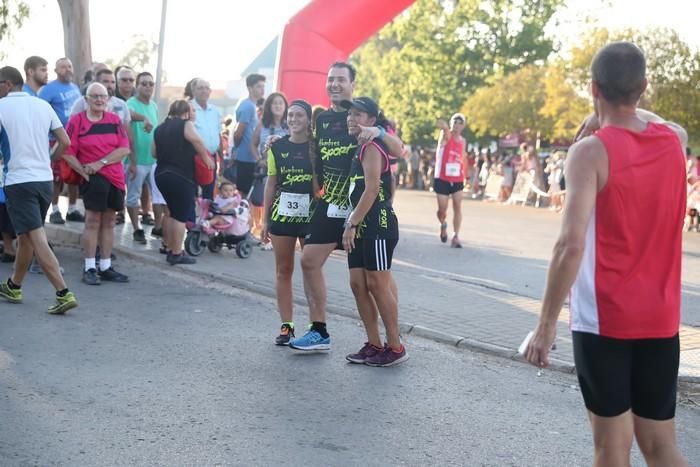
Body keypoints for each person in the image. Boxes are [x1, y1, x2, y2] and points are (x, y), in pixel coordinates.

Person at [525, 42, 689, 466]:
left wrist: (545, 326)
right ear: (644, 87)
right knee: (660, 445)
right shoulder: (673, 143)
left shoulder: (590, 151)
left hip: (606, 321)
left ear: (593, 88)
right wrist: (614, 112)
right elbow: (663, 123)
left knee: (612, 448)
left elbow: (569, 244)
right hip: (661, 318)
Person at [290, 62, 404, 351]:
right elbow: (310, 147)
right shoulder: (322, 119)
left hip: (363, 207)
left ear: (353, 83)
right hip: (331, 204)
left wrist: (378, 133)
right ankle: (318, 331)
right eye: (330, 79)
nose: (334, 84)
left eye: (341, 79)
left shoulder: (368, 117)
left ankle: (393, 335)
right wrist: (280, 142)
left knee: (376, 278)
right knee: (308, 260)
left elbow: (398, 148)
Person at [0, 66, 78, 314]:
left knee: (36, 237)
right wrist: (49, 160)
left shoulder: (2, 107)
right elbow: (65, 142)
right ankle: (14, 285)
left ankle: (63, 292)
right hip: (44, 181)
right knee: (26, 237)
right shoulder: (43, 105)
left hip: (18, 181)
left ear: (8, 84)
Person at [342, 97, 406, 366]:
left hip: (377, 226)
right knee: (358, 285)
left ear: (371, 120)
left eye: (358, 115)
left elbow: (372, 191)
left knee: (378, 286)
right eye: (349, 114)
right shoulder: (359, 147)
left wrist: (351, 223)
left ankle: (395, 346)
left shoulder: (371, 147)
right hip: (361, 226)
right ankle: (373, 343)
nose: (351, 119)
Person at [62, 82, 130, 285]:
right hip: (93, 180)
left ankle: (106, 266)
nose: (100, 99)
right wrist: (84, 172)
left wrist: (100, 163)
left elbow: (124, 149)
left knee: (109, 222)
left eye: (103, 96)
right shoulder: (77, 121)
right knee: (92, 222)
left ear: (108, 99)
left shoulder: (114, 120)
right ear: (86, 100)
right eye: (95, 96)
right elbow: (67, 151)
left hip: (114, 178)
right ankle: (90, 266)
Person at [261, 99, 317, 346]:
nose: (294, 119)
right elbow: (271, 183)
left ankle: (316, 326)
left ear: (308, 120)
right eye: (291, 115)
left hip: (310, 218)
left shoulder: (317, 147)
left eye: (299, 116)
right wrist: (264, 220)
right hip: (282, 216)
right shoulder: (277, 146)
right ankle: (287, 326)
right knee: (284, 270)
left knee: (310, 270)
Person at [153, 100, 214, 265]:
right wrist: (206, 158)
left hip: (161, 174)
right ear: (186, 112)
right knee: (180, 216)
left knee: (173, 213)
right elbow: (197, 141)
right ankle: (177, 253)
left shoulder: (159, 128)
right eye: (193, 110)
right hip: (181, 176)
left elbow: (154, 153)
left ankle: (170, 249)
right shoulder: (186, 124)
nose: (194, 113)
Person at [39, 58, 83, 224]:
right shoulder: (48, 90)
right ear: (56, 70)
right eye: (63, 67)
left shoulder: (75, 88)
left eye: (70, 66)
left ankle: (72, 209)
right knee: (56, 177)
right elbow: (41, 114)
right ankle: (55, 210)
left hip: (75, 140)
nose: (68, 70)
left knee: (74, 176)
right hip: (55, 140)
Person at [252, 92, 289, 248]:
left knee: (281, 203)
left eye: (281, 103)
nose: (278, 106)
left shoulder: (289, 124)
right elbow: (253, 144)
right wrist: (259, 159)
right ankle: (265, 234)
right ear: (269, 106)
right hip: (268, 170)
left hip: (286, 170)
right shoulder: (262, 124)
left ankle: (278, 236)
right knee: (267, 202)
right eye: (274, 103)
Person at [126, 72, 159, 244]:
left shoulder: (154, 106)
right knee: (133, 196)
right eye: (144, 83)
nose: (147, 87)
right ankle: (136, 229)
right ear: (137, 86)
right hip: (136, 161)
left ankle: (158, 226)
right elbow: (128, 115)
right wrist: (132, 161)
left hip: (153, 161)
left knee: (157, 196)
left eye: (150, 84)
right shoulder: (130, 103)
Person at [434, 114, 467, 248]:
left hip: (457, 178)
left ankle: (456, 236)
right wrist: (444, 127)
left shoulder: (463, 141)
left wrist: (465, 174)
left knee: (457, 206)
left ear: (463, 125)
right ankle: (443, 225)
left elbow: (462, 157)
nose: (457, 124)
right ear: (451, 123)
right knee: (442, 210)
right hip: (442, 178)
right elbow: (444, 130)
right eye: (455, 122)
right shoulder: (445, 135)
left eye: (460, 122)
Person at [231, 74, 266, 196]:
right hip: (245, 157)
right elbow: (238, 132)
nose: (262, 89)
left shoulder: (253, 105)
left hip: (251, 156)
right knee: (244, 193)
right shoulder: (248, 106)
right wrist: (236, 151)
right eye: (258, 86)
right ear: (250, 88)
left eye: (263, 86)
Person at [191, 78, 222, 200]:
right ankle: (191, 218)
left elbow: (218, 134)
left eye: (206, 88)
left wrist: (222, 160)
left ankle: (206, 218)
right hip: (193, 157)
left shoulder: (215, 111)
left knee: (208, 192)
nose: (204, 91)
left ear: (210, 91)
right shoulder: (189, 108)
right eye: (200, 88)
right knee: (192, 192)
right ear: (193, 91)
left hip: (212, 157)